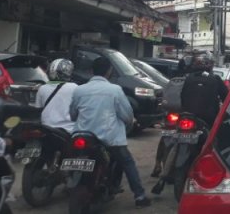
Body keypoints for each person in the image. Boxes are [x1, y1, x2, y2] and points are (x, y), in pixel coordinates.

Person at [70, 57, 151, 208]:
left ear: (92, 71)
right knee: (127, 162)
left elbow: (72, 115)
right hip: (108, 138)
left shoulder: (79, 90)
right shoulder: (115, 90)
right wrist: (130, 123)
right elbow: (127, 115)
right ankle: (140, 197)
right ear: (109, 71)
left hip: (82, 135)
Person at [180, 52, 228, 128]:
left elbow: (182, 96)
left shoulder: (188, 78)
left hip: (188, 115)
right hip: (209, 117)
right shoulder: (215, 79)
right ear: (210, 65)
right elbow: (226, 97)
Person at [35, 59, 78, 134]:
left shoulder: (42, 88)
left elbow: (38, 110)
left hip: (46, 129)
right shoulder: (75, 88)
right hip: (69, 131)